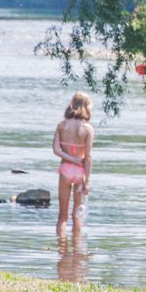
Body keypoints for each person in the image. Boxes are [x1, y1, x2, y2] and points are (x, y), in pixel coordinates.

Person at [53, 92, 95, 238]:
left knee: (62, 216)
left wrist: (71, 159)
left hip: (65, 171)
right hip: (79, 173)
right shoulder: (88, 129)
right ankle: (77, 252)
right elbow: (88, 157)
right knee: (78, 216)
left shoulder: (61, 125)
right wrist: (87, 181)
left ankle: (61, 249)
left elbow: (56, 150)